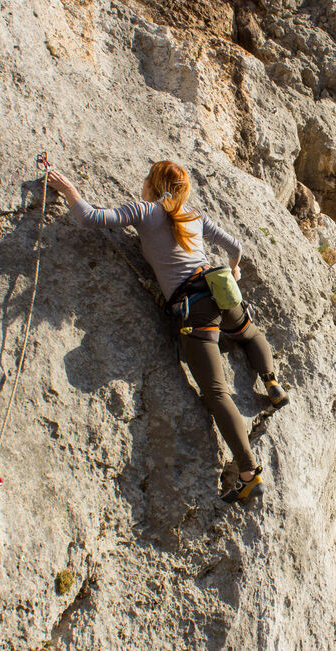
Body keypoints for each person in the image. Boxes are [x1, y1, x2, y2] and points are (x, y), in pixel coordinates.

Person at [46, 161, 287, 504]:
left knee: (216, 393)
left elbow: (90, 218)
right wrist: (234, 271)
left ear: (152, 184)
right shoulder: (195, 217)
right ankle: (271, 381)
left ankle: (249, 474)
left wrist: (68, 190)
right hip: (220, 291)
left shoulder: (145, 210)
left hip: (194, 308)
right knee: (248, 333)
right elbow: (236, 247)